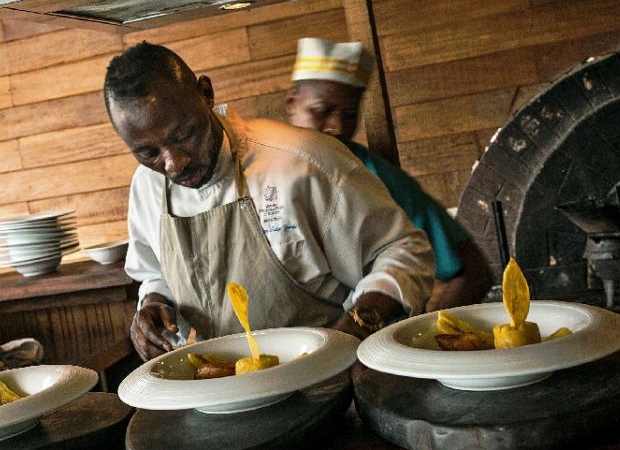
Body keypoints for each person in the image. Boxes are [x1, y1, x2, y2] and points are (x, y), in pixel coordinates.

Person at [105, 42, 435, 360]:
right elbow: (155, 272)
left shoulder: (302, 162)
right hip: (224, 385)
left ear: (206, 94)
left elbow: (403, 252)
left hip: (333, 381)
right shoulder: (147, 186)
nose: (173, 163)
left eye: (183, 135)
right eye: (147, 152)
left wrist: (355, 329)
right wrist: (153, 302)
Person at [285, 38, 493, 311]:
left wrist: (422, 340)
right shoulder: (262, 176)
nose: (336, 126)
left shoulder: (375, 176)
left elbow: (472, 270)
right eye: (322, 111)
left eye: (349, 114)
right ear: (291, 105)